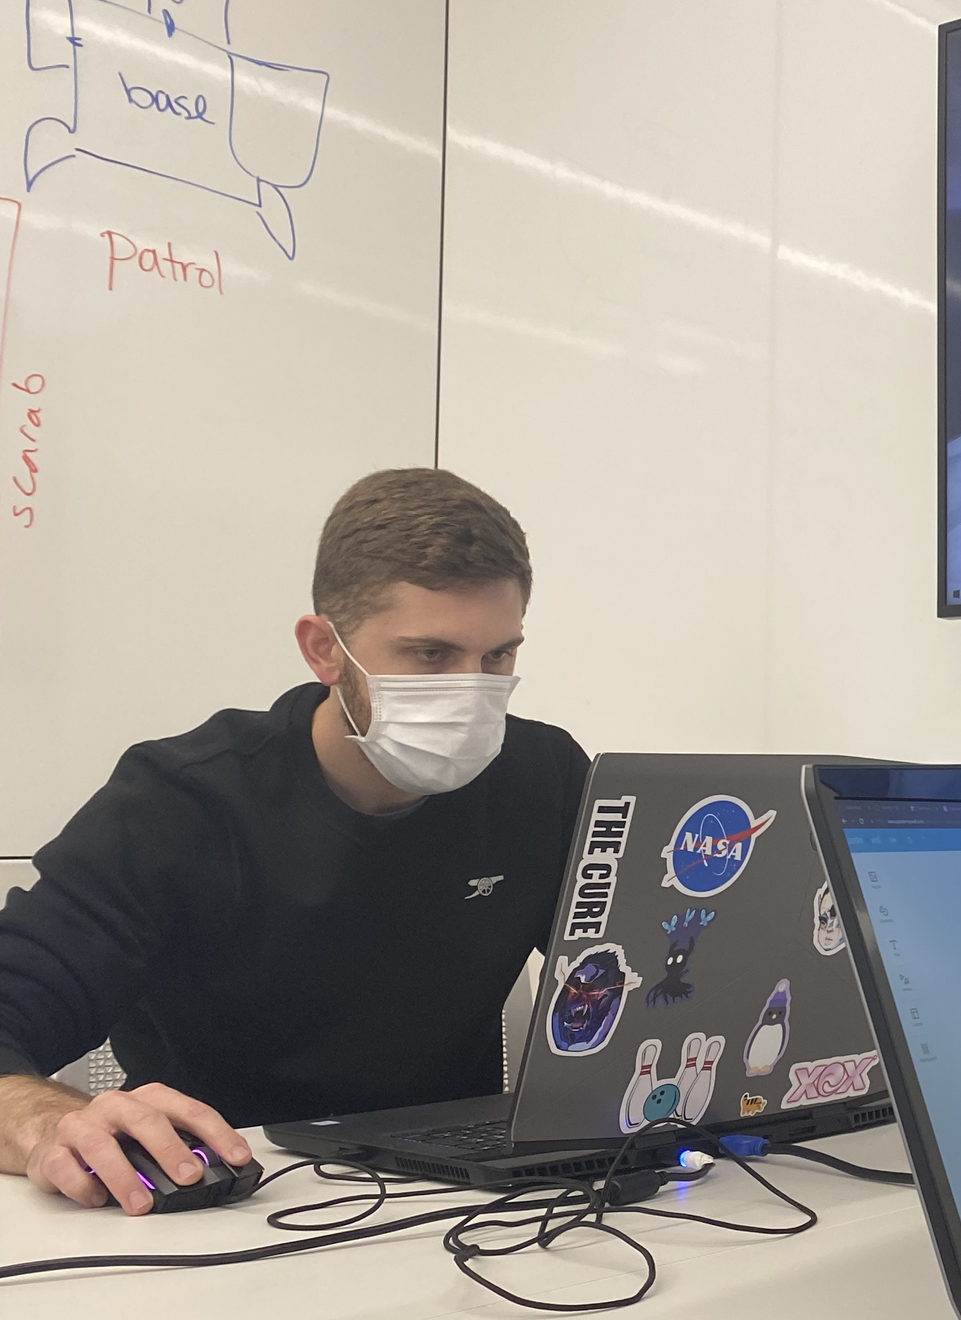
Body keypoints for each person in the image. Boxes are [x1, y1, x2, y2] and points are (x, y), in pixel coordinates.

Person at [0, 469, 588, 1214]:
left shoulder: (544, 776)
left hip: (464, 1199)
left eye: (498, 657)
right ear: (324, 650)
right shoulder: (179, 802)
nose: (472, 693)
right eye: (430, 656)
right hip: (223, 1202)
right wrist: (49, 1121)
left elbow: (637, 978)